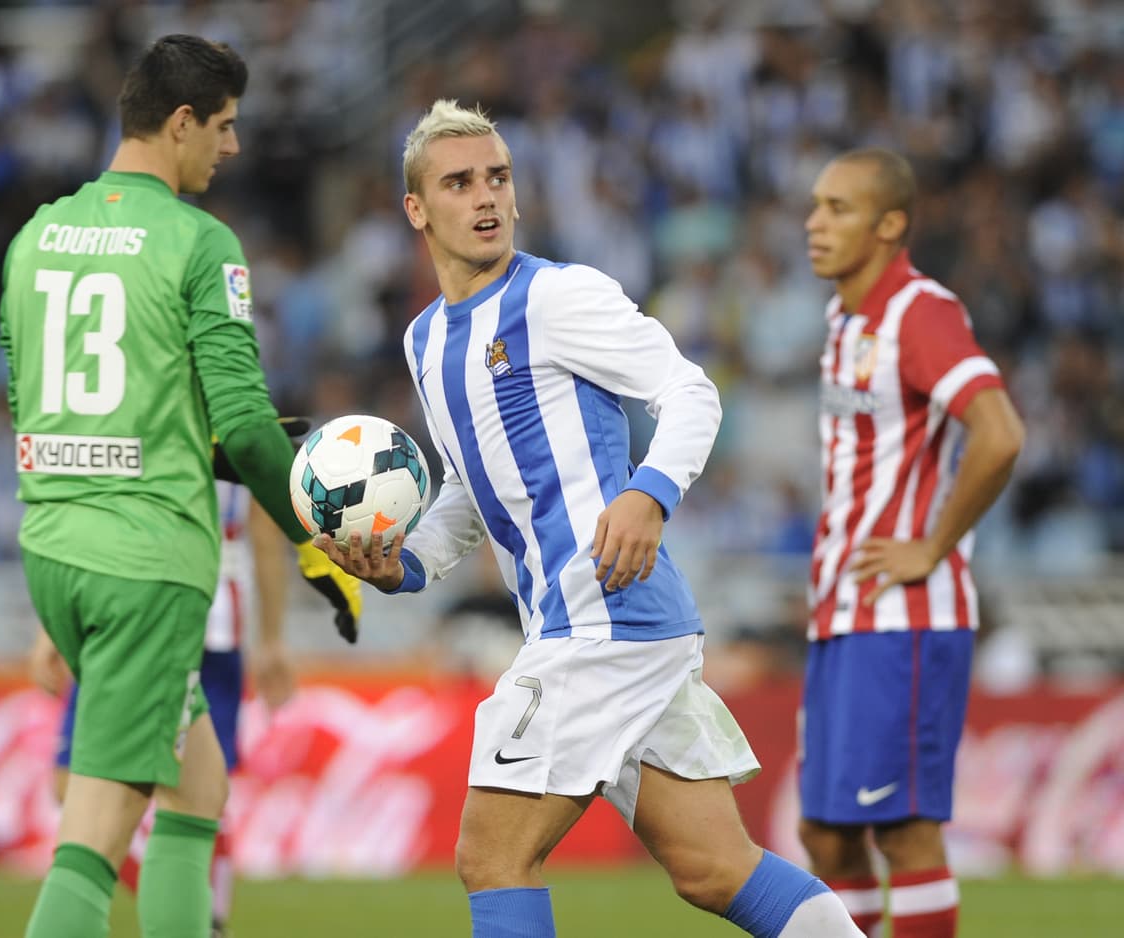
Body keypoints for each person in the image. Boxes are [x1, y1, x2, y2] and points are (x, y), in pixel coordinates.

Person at [316, 98, 865, 938]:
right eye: (459, 183)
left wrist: (650, 492)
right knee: (715, 868)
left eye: (497, 176)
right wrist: (409, 562)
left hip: (602, 625)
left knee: (491, 856)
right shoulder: (426, 340)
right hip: (609, 628)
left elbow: (690, 390)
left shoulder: (559, 298)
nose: (486, 196)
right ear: (417, 211)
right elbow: (472, 485)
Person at [0, 35, 359, 938]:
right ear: (182, 121)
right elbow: (241, 420)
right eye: (226, 127)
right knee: (96, 833)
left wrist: (199, 451)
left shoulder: (34, 239)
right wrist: (322, 543)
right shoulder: (202, 243)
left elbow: (33, 407)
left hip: (55, 552)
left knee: (197, 787)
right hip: (149, 571)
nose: (232, 149)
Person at [799, 148, 1025, 938]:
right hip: (841, 612)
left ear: (891, 225)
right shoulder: (843, 318)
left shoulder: (919, 312)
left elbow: (998, 434)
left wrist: (931, 546)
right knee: (824, 836)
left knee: (901, 831)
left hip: (905, 618)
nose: (814, 223)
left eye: (838, 209)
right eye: (816, 205)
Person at [29, 481, 293, 938]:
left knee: (172, 791)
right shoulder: (237, 415)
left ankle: (203, 918)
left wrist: (271, 639)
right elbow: (265, 533)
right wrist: (270, 638)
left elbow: (92, 500)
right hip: (187, 611)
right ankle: (204, 917)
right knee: (198, 788)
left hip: (145, 608)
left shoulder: (156, 414)